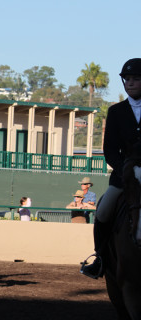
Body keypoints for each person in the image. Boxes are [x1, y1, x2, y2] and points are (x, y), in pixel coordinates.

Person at [81, 58, 141, 279]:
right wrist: (124, 170)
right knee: (104, 210)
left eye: (135, 79)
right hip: (123, 176)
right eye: (127, 79)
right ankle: (100, 258)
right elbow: (109, 149)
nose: (130, 83)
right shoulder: (116, 112)